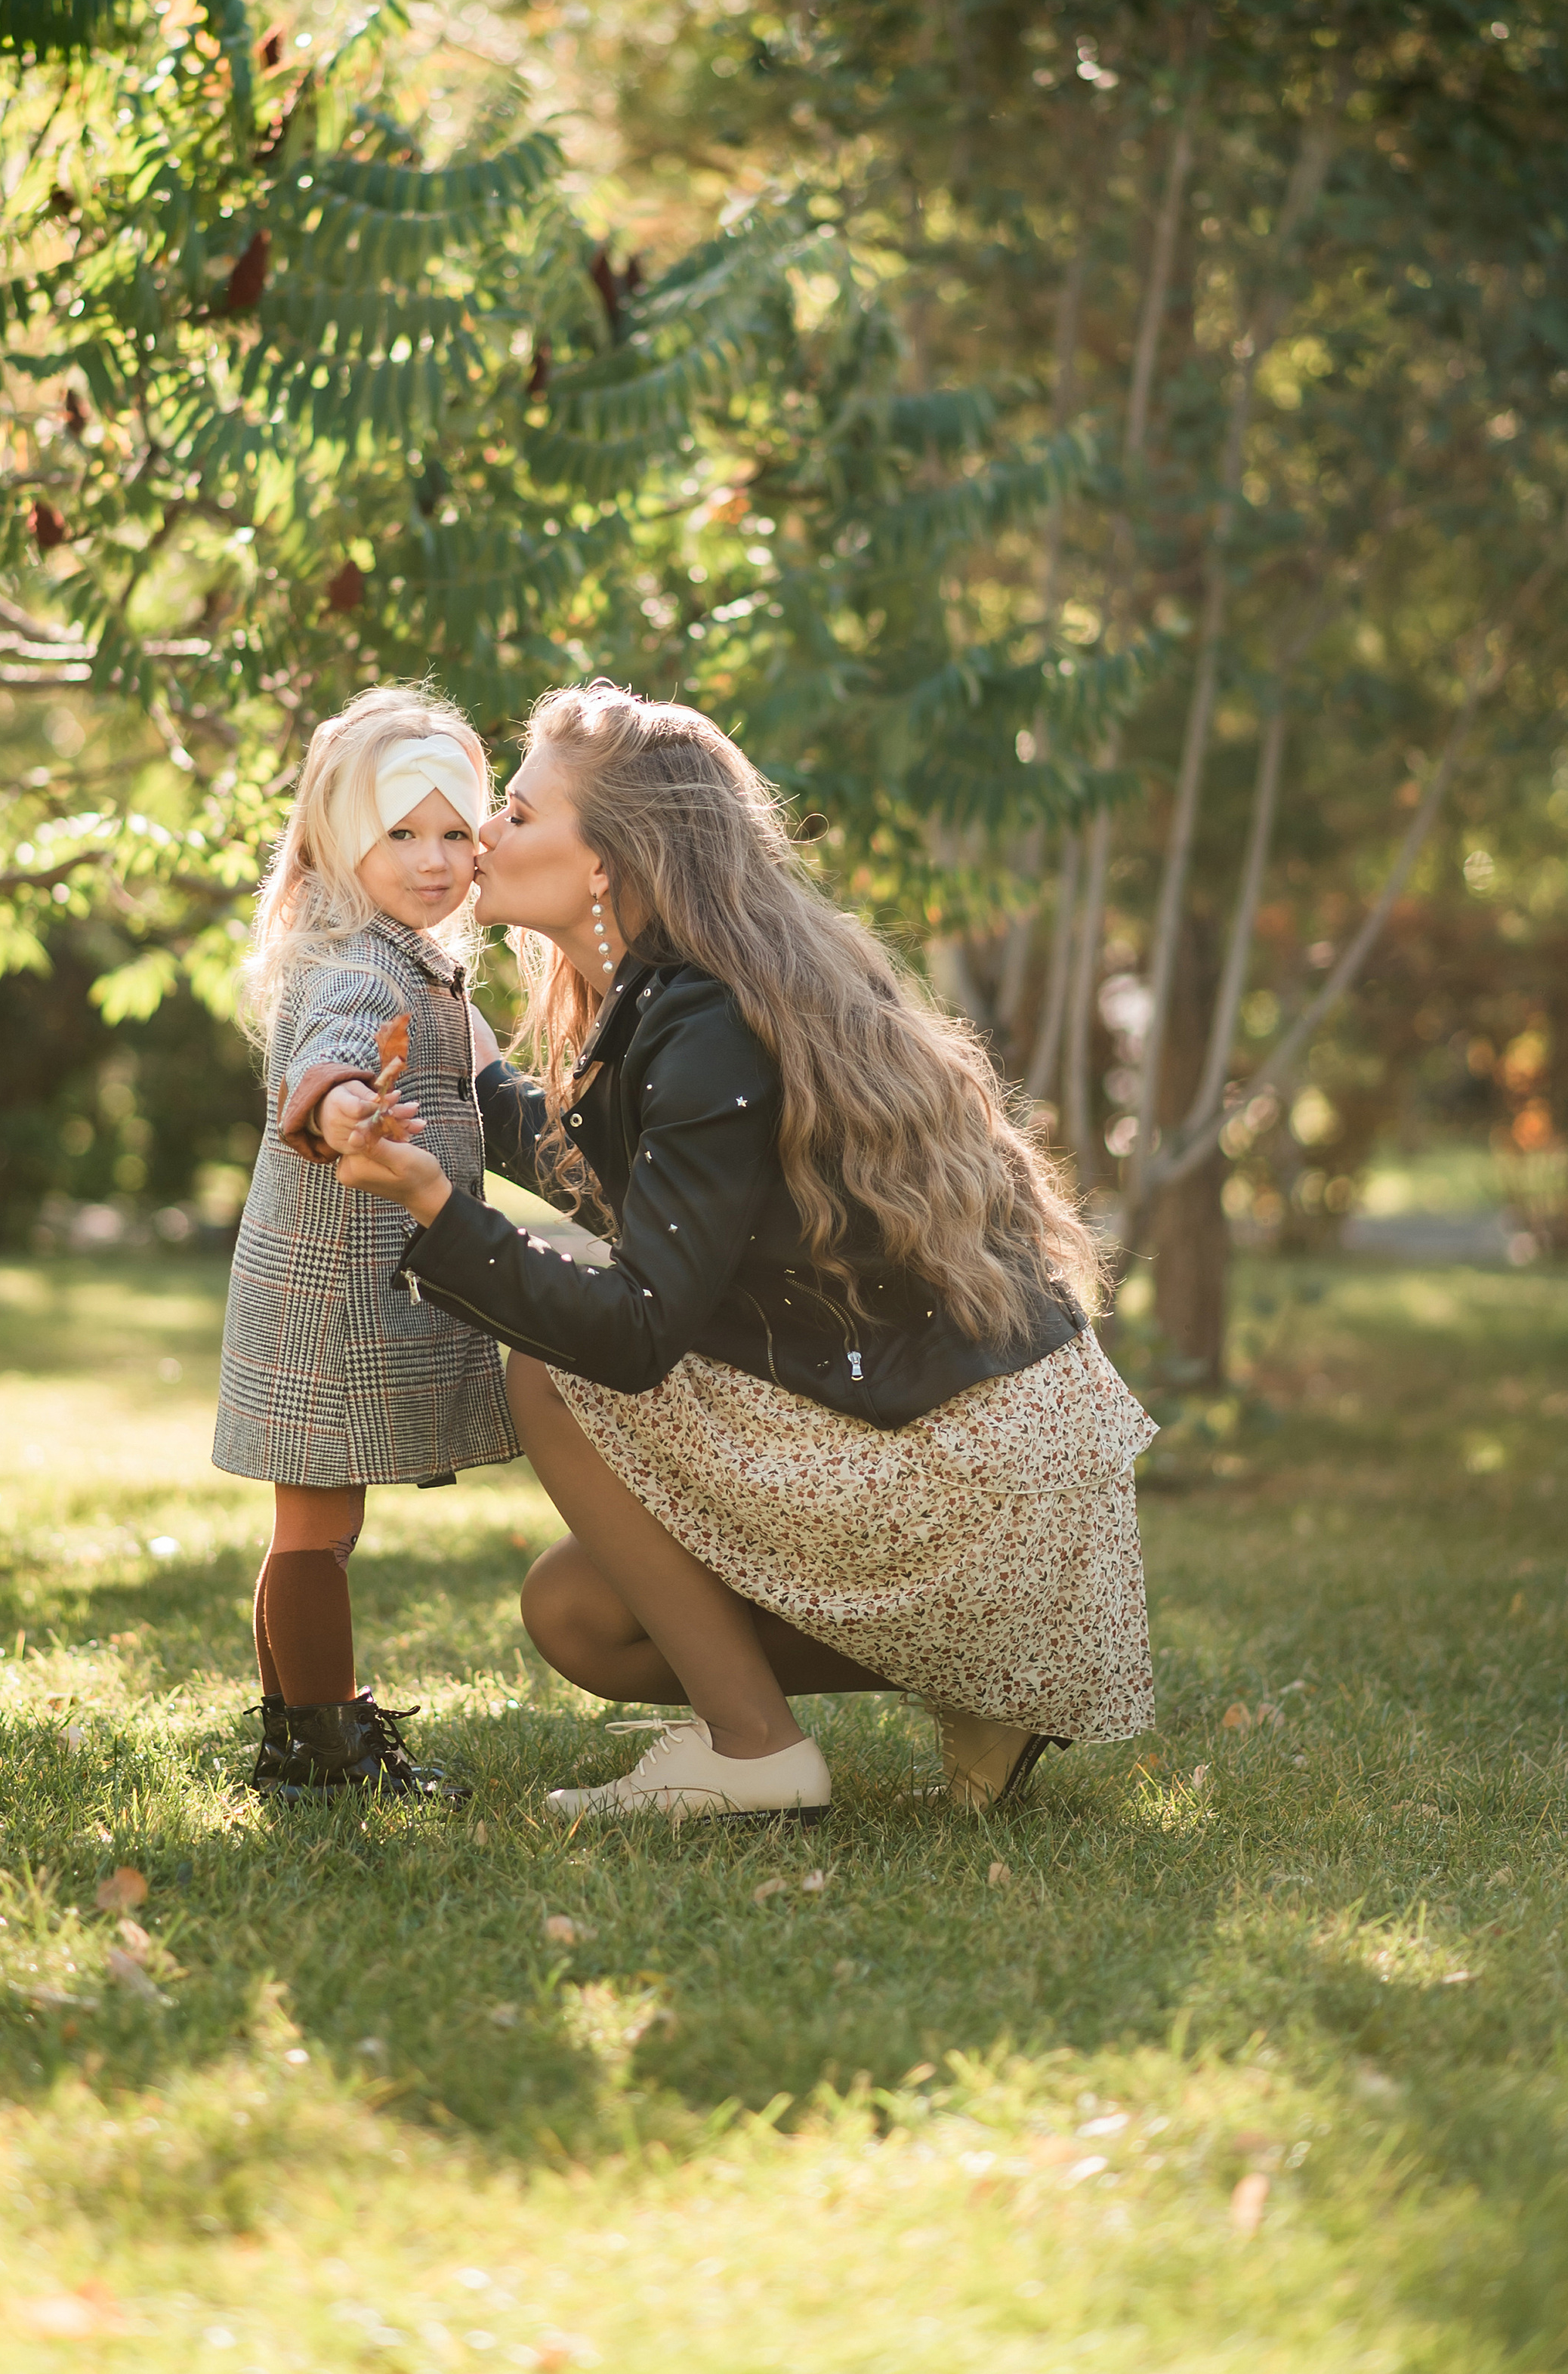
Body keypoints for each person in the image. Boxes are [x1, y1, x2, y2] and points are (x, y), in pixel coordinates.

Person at [337, 681, 1156, 1825]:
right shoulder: (689, 994)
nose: (482, 836)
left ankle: (756, 1751)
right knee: (579, 1614)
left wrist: (439, 1206)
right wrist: (474, 1081)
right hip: (974, 1456)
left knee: (551, 1373)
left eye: (518, 813)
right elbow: (647, 1189)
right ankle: (986, 1679)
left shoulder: (706, 1012)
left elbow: (633, 1333)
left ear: (609, 859)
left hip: (967, 1466)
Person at [215, 683, 515, 1802]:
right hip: (329, 1296)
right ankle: (329, 1750)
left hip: (322, 1285)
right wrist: (343, 1111)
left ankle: (298, 1736)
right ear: (344, 840)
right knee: (317, 1527)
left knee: (311, 1520)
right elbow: (327, 1065)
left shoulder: (395, 950)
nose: (435, 859)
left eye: (454, 831)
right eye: (402, 833)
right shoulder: (361, 965)